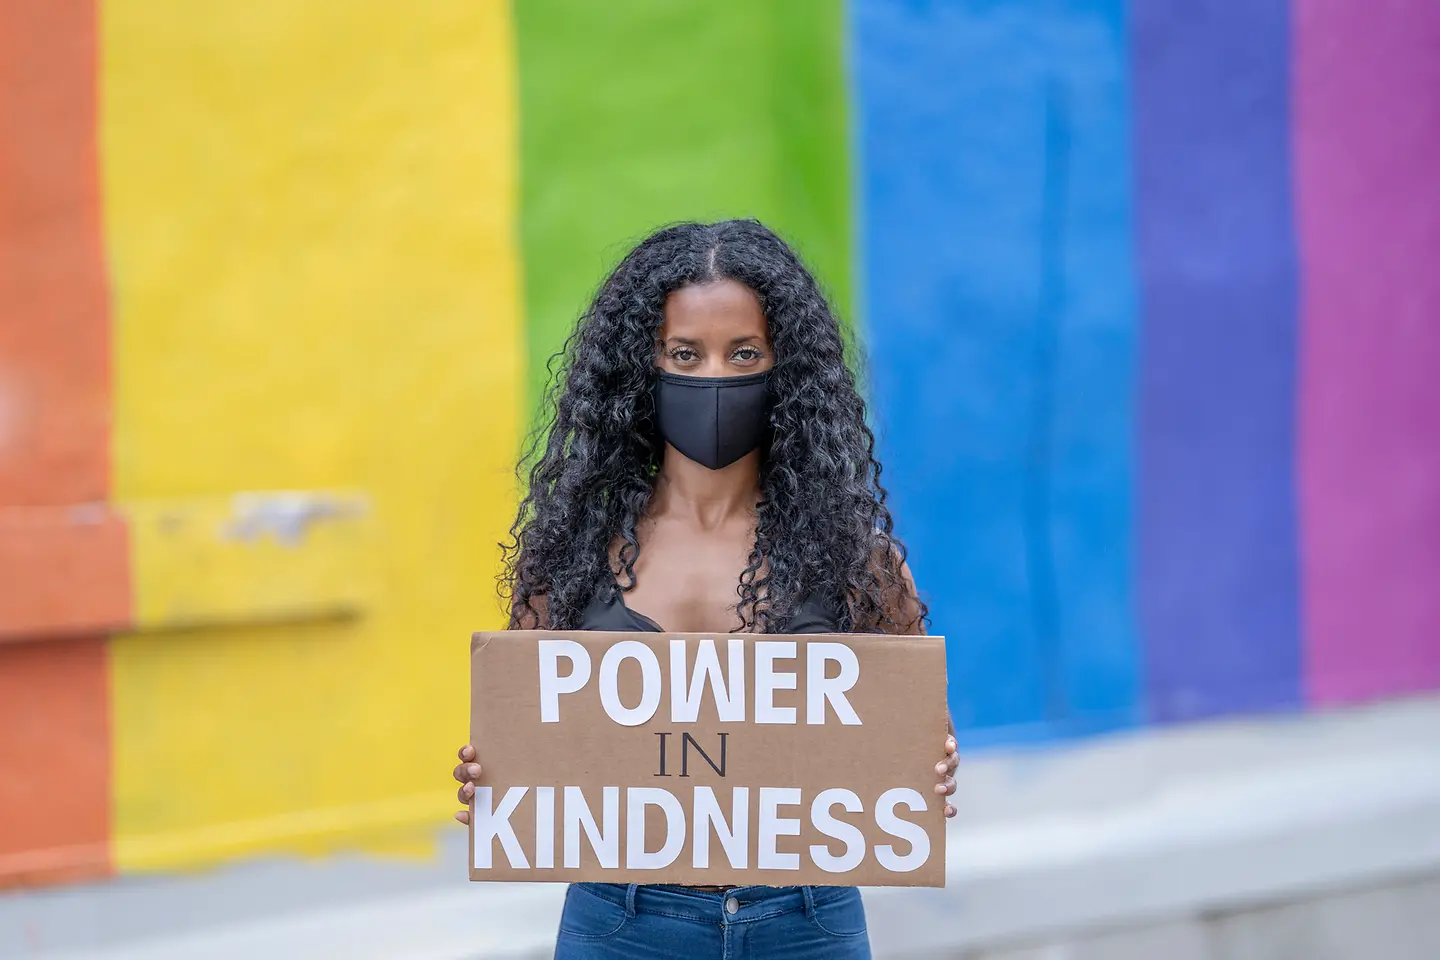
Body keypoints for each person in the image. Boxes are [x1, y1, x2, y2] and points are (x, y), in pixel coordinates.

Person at [452, 219, 957, 958]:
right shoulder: (569, 559)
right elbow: (531, 742)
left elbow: (920, 744)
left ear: (786, 368)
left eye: (743, 353)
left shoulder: (857, 560)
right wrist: (490, 778)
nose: (714, 378)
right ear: (639, 367)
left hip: (805, 922)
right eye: (684, 354)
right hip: (621, 924)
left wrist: (935, 766)